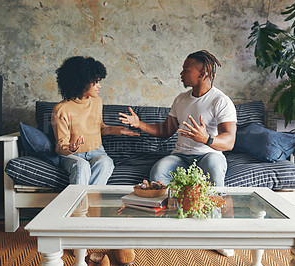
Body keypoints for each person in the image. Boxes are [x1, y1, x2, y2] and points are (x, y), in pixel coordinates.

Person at [52, 56, 137, 265]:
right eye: (96, 81)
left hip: (97, 150)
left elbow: (100, 128)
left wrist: (121, 131)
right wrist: (69, 148)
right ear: (81, 81)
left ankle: (85, 220)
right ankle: (77, 229)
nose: (99, 86)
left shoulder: (97, 102)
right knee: (81, 166)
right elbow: (59, 146)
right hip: (73, 155)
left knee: (106, 163)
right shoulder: (61, 109)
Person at [119, 50, 237, 187]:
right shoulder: (181, 99)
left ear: (202, 74)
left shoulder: (220, 101)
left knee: (214, 166)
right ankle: (167, 207)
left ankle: (214, 207)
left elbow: (229, 141)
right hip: (180, 156)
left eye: (186, 70)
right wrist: (139, 124)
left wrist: (206, 138)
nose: (181, 74)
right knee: (158, 172)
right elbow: (166, 130)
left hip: (208, 155)